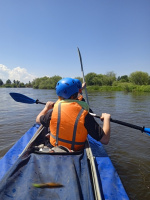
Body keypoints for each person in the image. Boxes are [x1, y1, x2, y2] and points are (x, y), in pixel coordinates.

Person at [36, 77, 111, 151]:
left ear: (58, 96)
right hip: (76, 150)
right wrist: (106, 119)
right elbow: (105, 140)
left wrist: (46, 108)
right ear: (77, 93)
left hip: (54, 146)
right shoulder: (84, 114)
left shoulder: (53, 112)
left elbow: (38, 119)